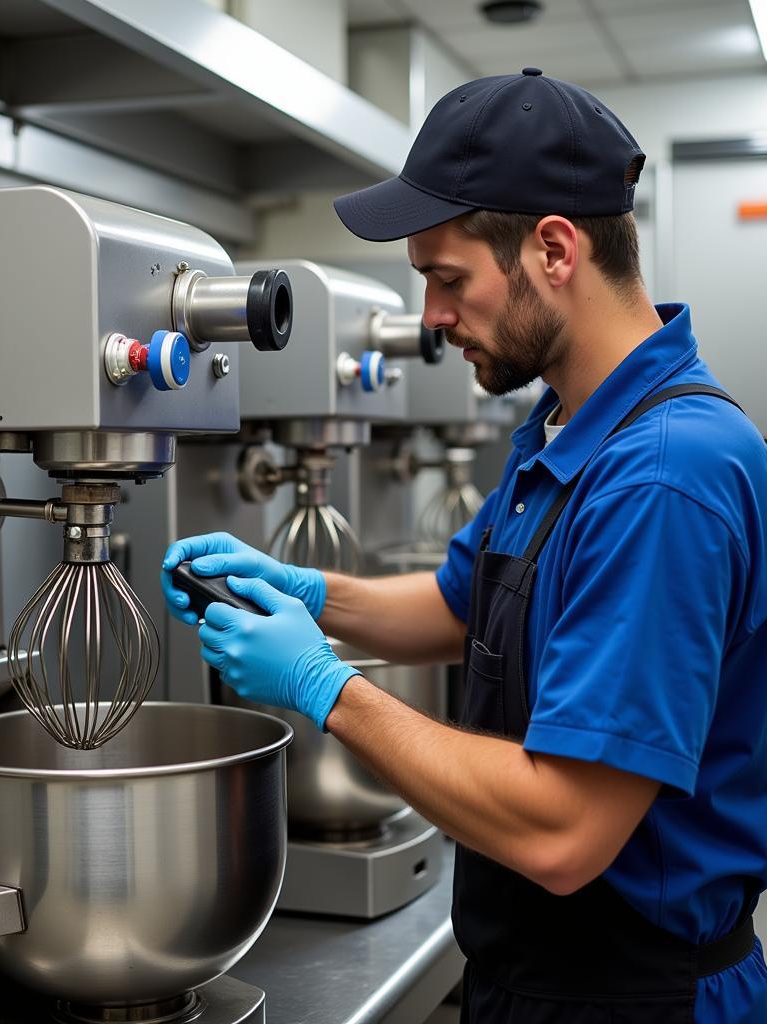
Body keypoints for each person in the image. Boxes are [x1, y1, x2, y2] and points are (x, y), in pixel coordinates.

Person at [161, 69, 767, 1023]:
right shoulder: (571, 431)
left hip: (635, 999)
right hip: (538, 979)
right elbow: (457, 605)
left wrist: (325, 687)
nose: (435, 320)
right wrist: (302, 590)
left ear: (554, 249)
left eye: (449, 280)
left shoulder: (664, 474)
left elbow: (566, 830)